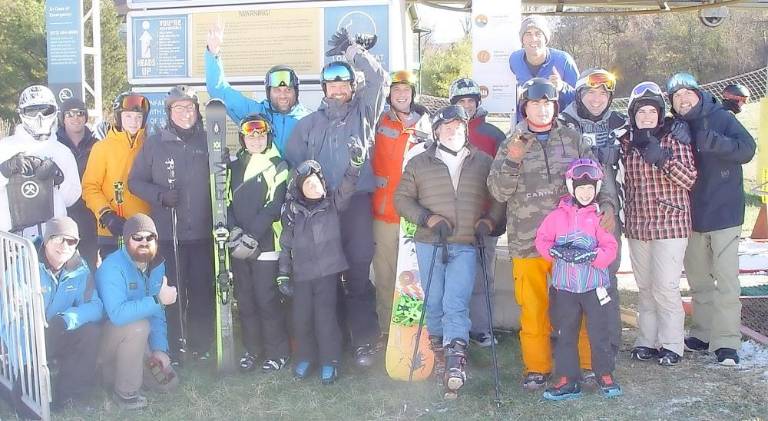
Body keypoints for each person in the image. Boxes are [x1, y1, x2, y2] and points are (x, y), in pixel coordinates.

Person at [487, 78, 618, 389]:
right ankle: (537, 366)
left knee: (583, 304)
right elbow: (498, 191)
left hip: (573, 242)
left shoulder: (572, 139)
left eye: (547, 104)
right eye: (535, 103)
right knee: (534, 308)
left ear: (555, 106)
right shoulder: (511, 142)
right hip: (528, 242)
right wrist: (513, 160)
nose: (542, 109)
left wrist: (608, 205)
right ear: (525, 107)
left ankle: (588, 364)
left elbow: (596, 174)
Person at [284, 27, 387, 367]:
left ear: (351, 86)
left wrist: (355, 52)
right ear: (324, 88)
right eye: (332, 84)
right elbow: (295, 164)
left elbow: (378, 77)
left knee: (357, 270)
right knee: (325, 277)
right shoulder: (309, 125)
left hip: (356, 202)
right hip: (321, 210)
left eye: (345, 83)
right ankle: (332, 339)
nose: (339, 89)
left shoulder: (364, 113)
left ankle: (363, 341)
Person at [394, 104, 505, 395]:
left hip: (465, 243)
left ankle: (455, 363)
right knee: (433, 302)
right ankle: (441, 357)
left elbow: (497, 197)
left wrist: (489, 221)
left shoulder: (482, 160)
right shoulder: (419, 162)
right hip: (430, 242)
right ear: (436, 131)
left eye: (458, 126)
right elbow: (402, 200)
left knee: (456, 302)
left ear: (465, 129)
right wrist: (427, 218)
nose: (453, 131)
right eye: (447, 126)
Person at [667, 73, 756, 366]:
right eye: (676, 97)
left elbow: (747, 149)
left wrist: (712, 141)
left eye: (686, 94)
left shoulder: (721, 117)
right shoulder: (677, 125)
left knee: (727, 280)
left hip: (725, 212)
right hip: (692, 213)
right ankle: (703, 332)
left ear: (697, 93)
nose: (683, 100)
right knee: (699, 279)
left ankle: (726, 342)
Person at [129, 86, 214, 363]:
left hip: (202, 232)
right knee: (172, 290)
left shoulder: (206, 141)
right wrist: (160, 196)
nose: (185, 113)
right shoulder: (155, 143)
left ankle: (202, 345)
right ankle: (174, 344)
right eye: (179, 108)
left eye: (190, 107)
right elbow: (135, 181)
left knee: (202, 289)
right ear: (169, 112)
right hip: (169, 232)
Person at [620, 81, 697, 366]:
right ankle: (646, 341)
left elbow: (690, 179)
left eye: (653, 112)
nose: (647, 117)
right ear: (634, 115)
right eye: (642, 112)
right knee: (645, 286)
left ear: (660, 113)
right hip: (639, 224)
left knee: (665, 286)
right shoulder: (627, 143)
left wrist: (663, 159)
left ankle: (673, 344)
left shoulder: (674, 139)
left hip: (670, 222)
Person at [277, 142, 366, 384]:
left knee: (325, 318)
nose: (313, 187)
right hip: (302, 275)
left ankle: (330, 360)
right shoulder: (293, 214)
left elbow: (347, 189)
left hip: (327, 274)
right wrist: (283, 274)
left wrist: (355, 165)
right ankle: (306, 357)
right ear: (300, 189)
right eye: (308, 184)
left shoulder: (332, 206)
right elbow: (285, 245)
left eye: (317, 183)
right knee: (302, 318)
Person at [535, 159, 620, 400]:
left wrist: (593, 256)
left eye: (590, 189)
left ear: (596, 189)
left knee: (599, 332)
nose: (585, 193)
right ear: (572, 188)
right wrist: (555, 251)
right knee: (564, 333)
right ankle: (566, 378)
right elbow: (542, 240)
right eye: (581, 188)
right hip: (564, 288)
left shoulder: (600, 217)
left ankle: (604, 374)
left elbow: (610, 249)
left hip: (594, 288)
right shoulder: (556, 217)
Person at [557, 68, 627, 360]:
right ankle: (568, 344)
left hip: (608, 213)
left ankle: (607, 344)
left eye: (603, 93)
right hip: (571, 216)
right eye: (590, 92)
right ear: (579, 95)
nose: (597, 99)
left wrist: (611, 206)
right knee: (568, 278)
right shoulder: (563, 124)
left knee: (605, 277)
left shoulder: (622, 125)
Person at [227, 114, 291, 372]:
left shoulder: (278, 165)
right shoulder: (233, 166)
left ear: (268, 137)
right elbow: (226, 201)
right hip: (238, 242)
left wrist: (252, 233)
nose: (255, 140)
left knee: (266, 299)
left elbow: (275, 204)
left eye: (261, 135)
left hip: (265, 243)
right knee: (246, 299)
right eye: (250, 136)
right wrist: (233, 230)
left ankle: (278, 352)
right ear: (243, 139)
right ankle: (253, 349)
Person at [96, 214, 179, 409]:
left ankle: (127, 371)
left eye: (149, 237)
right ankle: (125, 394)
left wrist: (159, 348)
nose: (144, 242)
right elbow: (117, 314)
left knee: (169, 382)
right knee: (138, 326)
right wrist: (158, 299)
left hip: (134, 339)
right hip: (104, 339)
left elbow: (157, 312)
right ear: (126, 240)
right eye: (137, 237)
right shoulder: (113, 267)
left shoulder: (156, 264)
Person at [371, 69, 432, 335]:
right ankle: (387, 330)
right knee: (385, 276)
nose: (401, 95)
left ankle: (413, 331)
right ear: (389, 94)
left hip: (415, 216)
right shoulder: (377, 120)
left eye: (406, 90)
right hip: (383, 214)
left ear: (412, 94)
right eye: (396, 90)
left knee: (413, 278)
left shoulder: (427, 125)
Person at [448, 77, 506, 348]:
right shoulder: (445, 131)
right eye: (461, 102)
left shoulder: (493, 135)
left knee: (484, 274)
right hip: (454, 219)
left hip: (484, 218)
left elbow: (504, 178)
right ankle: (456, 328)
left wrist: (496, 218)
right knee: (457, 275)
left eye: (471, 101)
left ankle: (482, 328)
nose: (467, 106)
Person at [205, 23, 310, 153]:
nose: (283, 95)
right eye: (277, 90)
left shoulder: (309, 120)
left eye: (288, 90)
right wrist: (213, 53)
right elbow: (219, 91)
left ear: (296, 91)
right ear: (268, 92)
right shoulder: (255, 113)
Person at [37, 216, 103, 409]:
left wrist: (67, 320)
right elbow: (9, 313)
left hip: (57, 331)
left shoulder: (80, 269)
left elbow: (95, 306)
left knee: (90, 332)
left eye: (72, 241)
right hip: (28, 337)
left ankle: (70, 396)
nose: (65, 245)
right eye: (58, 238)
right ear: (47, 239)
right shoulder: (25, 263)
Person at [0, 85, 80, 240]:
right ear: (21, 113)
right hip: (10, 236)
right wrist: (4, 171)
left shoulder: (62, 152)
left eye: (45, 111)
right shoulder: (4, 147)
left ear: (54, 112)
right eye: (32, 111)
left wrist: (58, 178)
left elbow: (71, 198)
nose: (39, 118)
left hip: (51, 237)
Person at [82, 93, 152, 260]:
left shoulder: (150, 146)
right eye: (128, 116)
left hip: (144, 230)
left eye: (138, 117)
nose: (134, 122)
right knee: (116, 281)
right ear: (119, 117)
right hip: (113, 230)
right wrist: (106, 215)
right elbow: (90, 187)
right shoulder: (102, 148)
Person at [508, 16, 579, 121]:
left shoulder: (563, 60)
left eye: (538, 34)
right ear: (522, 39)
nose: (534, 39)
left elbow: (579, 98)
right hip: (524, 127)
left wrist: (562, 87)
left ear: (545, 39)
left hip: (558, 128)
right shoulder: (514, 59)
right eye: (528, 34)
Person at [56, 98, 99, 269]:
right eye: (70, 114)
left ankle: (89, 296)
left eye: (80, 113)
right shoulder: (55, 145)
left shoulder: (96, 145)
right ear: (63, 118)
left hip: (89, 214)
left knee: (89, 266)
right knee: (62, 264)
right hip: (63, 212)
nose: (76, 118)